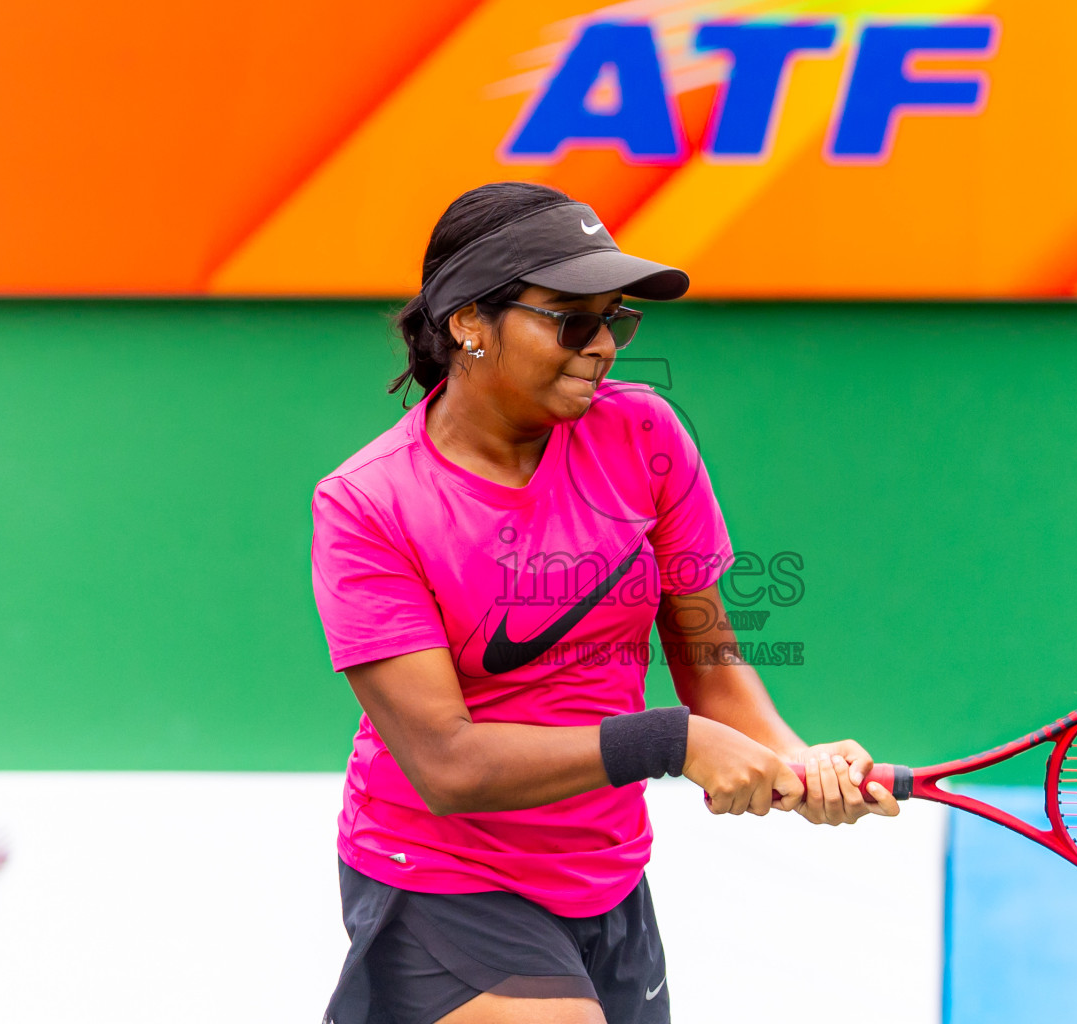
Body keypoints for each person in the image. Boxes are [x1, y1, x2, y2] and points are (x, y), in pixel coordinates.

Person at [311, 182, 899, 1024]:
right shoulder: (368, 505)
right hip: (442, 876)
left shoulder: (645, 434)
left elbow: (711, 662)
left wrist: (799, 762)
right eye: (570, 320)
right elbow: (447, 765)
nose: (601, 348)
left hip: (606, 873)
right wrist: (673, 742)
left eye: (613, 320)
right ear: (469, 322)